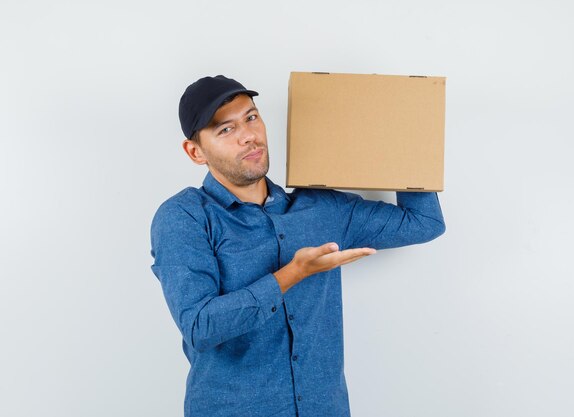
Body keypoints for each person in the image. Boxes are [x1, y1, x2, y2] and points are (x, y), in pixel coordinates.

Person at [149, 74, 446, 417]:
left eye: (251, 117)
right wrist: (293, 273)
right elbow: (201, 327)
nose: (248, 136)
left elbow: (425, 224)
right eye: (225, 130)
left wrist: (407, 132)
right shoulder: (184, 217)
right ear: (195, 151)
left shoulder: (321, 209)